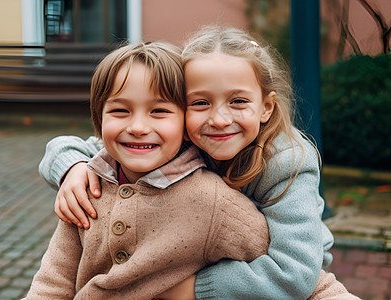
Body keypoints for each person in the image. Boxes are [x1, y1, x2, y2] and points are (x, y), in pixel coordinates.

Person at [38, 27, 351, 299]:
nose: (218, 119)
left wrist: (193, 290)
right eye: (200, 103)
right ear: (182, 110)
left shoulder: (285, 161)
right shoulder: (180, 139)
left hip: (286, 264)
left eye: (238, 101)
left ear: (266, 107)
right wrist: (73, 167)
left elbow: (298, 275)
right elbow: (86, 148)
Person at [24, 41, 271, 299]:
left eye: (159, 111)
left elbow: (307, 284)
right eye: (120, 110)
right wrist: (72, 168)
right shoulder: (86, 187)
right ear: (99, 118)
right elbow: (52, 283)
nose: (138, 127)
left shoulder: (215, 202)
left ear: (186, 123)